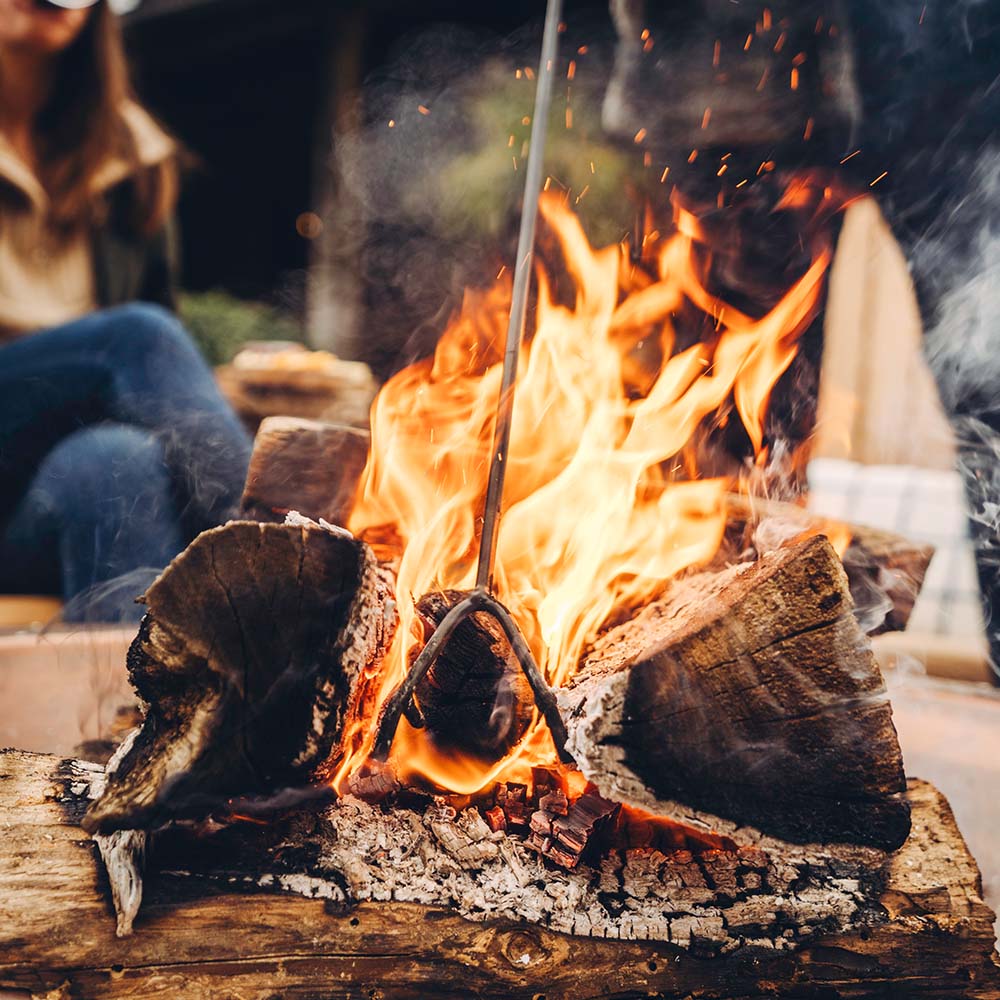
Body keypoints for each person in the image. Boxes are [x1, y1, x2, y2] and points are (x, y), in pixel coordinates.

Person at [0, 0, 252, 622]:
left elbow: (160, 380)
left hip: (39, 500)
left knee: (116, 463)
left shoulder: (126, 152)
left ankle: (131, 716)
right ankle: (269, 560)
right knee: (137, 336)